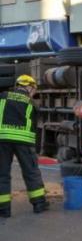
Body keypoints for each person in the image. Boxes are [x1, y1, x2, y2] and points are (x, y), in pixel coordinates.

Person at [0, 75, 49, 218]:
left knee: (2, 174)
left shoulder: (3, 96)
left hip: (2, 138)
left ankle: (3, 209)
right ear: (29, 87)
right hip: (24, 141)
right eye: (34, 89)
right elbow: (34, 125)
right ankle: (39, 204)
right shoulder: (32, 103)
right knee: (31, 172)